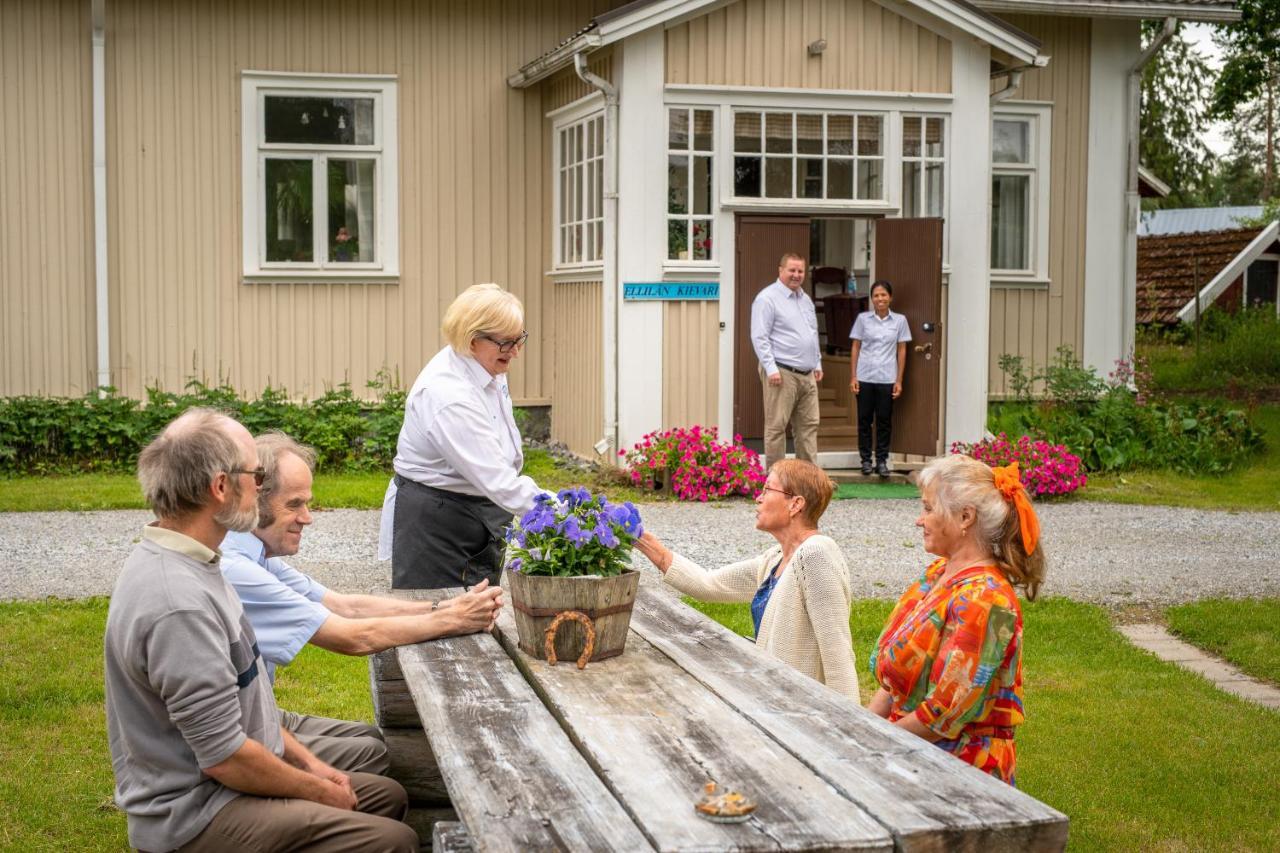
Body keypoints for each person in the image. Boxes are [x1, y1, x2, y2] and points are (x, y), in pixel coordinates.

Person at [104, 408, 417, 853]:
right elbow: (226, 758)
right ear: (219, 487)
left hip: (220, 785)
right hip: (194, 815)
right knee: (393, 840)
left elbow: (249, 710)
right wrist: (322, 790)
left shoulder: (201, 561)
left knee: (386, 795)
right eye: (255, 475)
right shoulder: (178, 603)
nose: (260, 486)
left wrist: (311, 764)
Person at [221, 431, 504, 774]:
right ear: (255, 500)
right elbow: (353, 637)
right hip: (239, 737)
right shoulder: (237, 568)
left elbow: (344, 605)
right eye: (294, 504)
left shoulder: (253, 554)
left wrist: (445, 608)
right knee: (386, 757)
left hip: (257, 715)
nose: (307, 517)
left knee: (377, 741)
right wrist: (454, 620)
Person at [868, 455, 1046, 785]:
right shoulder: (939, 572)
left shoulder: (986, 599)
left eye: (928, 508)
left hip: (957, 772)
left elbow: (942, 715)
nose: (919, 521)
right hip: (906, 750)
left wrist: (873, 748)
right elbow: (895, 681)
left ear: (965, 517)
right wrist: (863, 729)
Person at [633, 459, 858, 701]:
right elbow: (709, 585)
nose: (758, 498)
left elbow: (838, 655)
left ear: (795, 504)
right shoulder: (776, 559)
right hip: (773, 701)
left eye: (767, 489)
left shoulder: (815, 555)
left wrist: (851, 729)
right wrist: (642, 540)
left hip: (805, 711)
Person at [380, 283, 550, 589]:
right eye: (507, 343)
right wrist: (570, 513)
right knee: (438, 617)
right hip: (440, 520)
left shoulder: (487, 364)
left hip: (479, 507)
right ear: (473, 341)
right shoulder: (449, 396)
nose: (515, 351)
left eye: (520, 339)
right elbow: (500, 482)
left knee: (480, 611)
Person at [750, 253, 824, 469]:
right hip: (781, 373)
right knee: (776, 428)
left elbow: (812, 332)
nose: (796, 275)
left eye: (800, 271)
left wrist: (817, 363)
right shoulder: (767, 298)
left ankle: (808, 480)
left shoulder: (805, 299)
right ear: (780, 270)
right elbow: (759, 336)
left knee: (809, 427)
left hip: (807, 374)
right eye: (792, 270)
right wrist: (770, 368)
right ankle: (776, 481)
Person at [849, 280, 911, 477]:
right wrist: (854, 376)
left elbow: (901, 350)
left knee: (884, 421)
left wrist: (899, 380)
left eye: (883, 295)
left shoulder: (900, 321)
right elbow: (856, 347)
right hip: (865, 376)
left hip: (887, 378)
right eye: (876, 295)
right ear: (872, 298)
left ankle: (882, 461)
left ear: (890, 297)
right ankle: (866, 460)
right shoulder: (863, 319)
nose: (880, 298)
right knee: (864, 420)